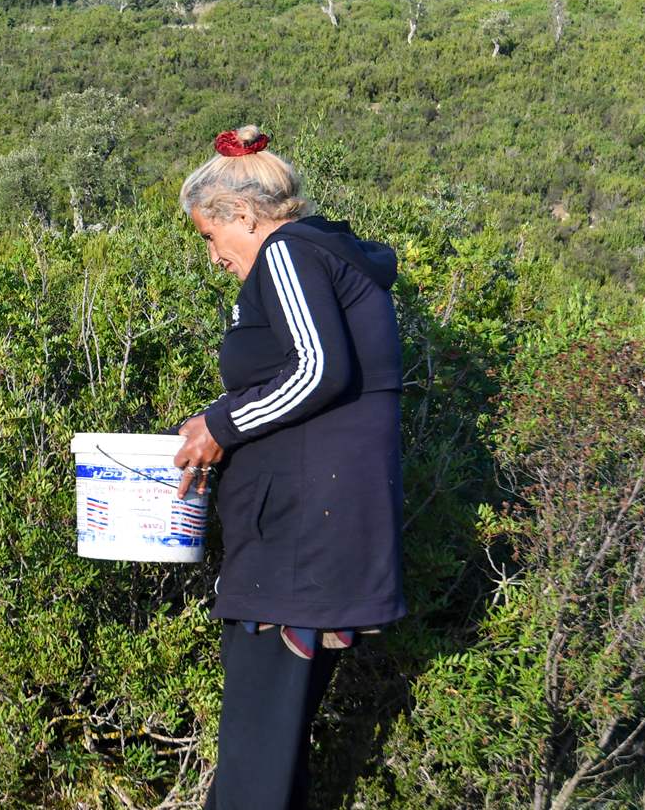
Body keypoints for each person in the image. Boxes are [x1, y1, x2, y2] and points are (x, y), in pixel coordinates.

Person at [171, 125, 406, 810]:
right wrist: (213, 423)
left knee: (252, 767)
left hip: (299, 551)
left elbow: (317, 369)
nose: (214, 256)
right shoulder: (326, 257)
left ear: (242, 215)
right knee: (275, 762)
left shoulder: (288, 254)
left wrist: (221, 425)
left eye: (211, 237)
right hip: (315, 543)